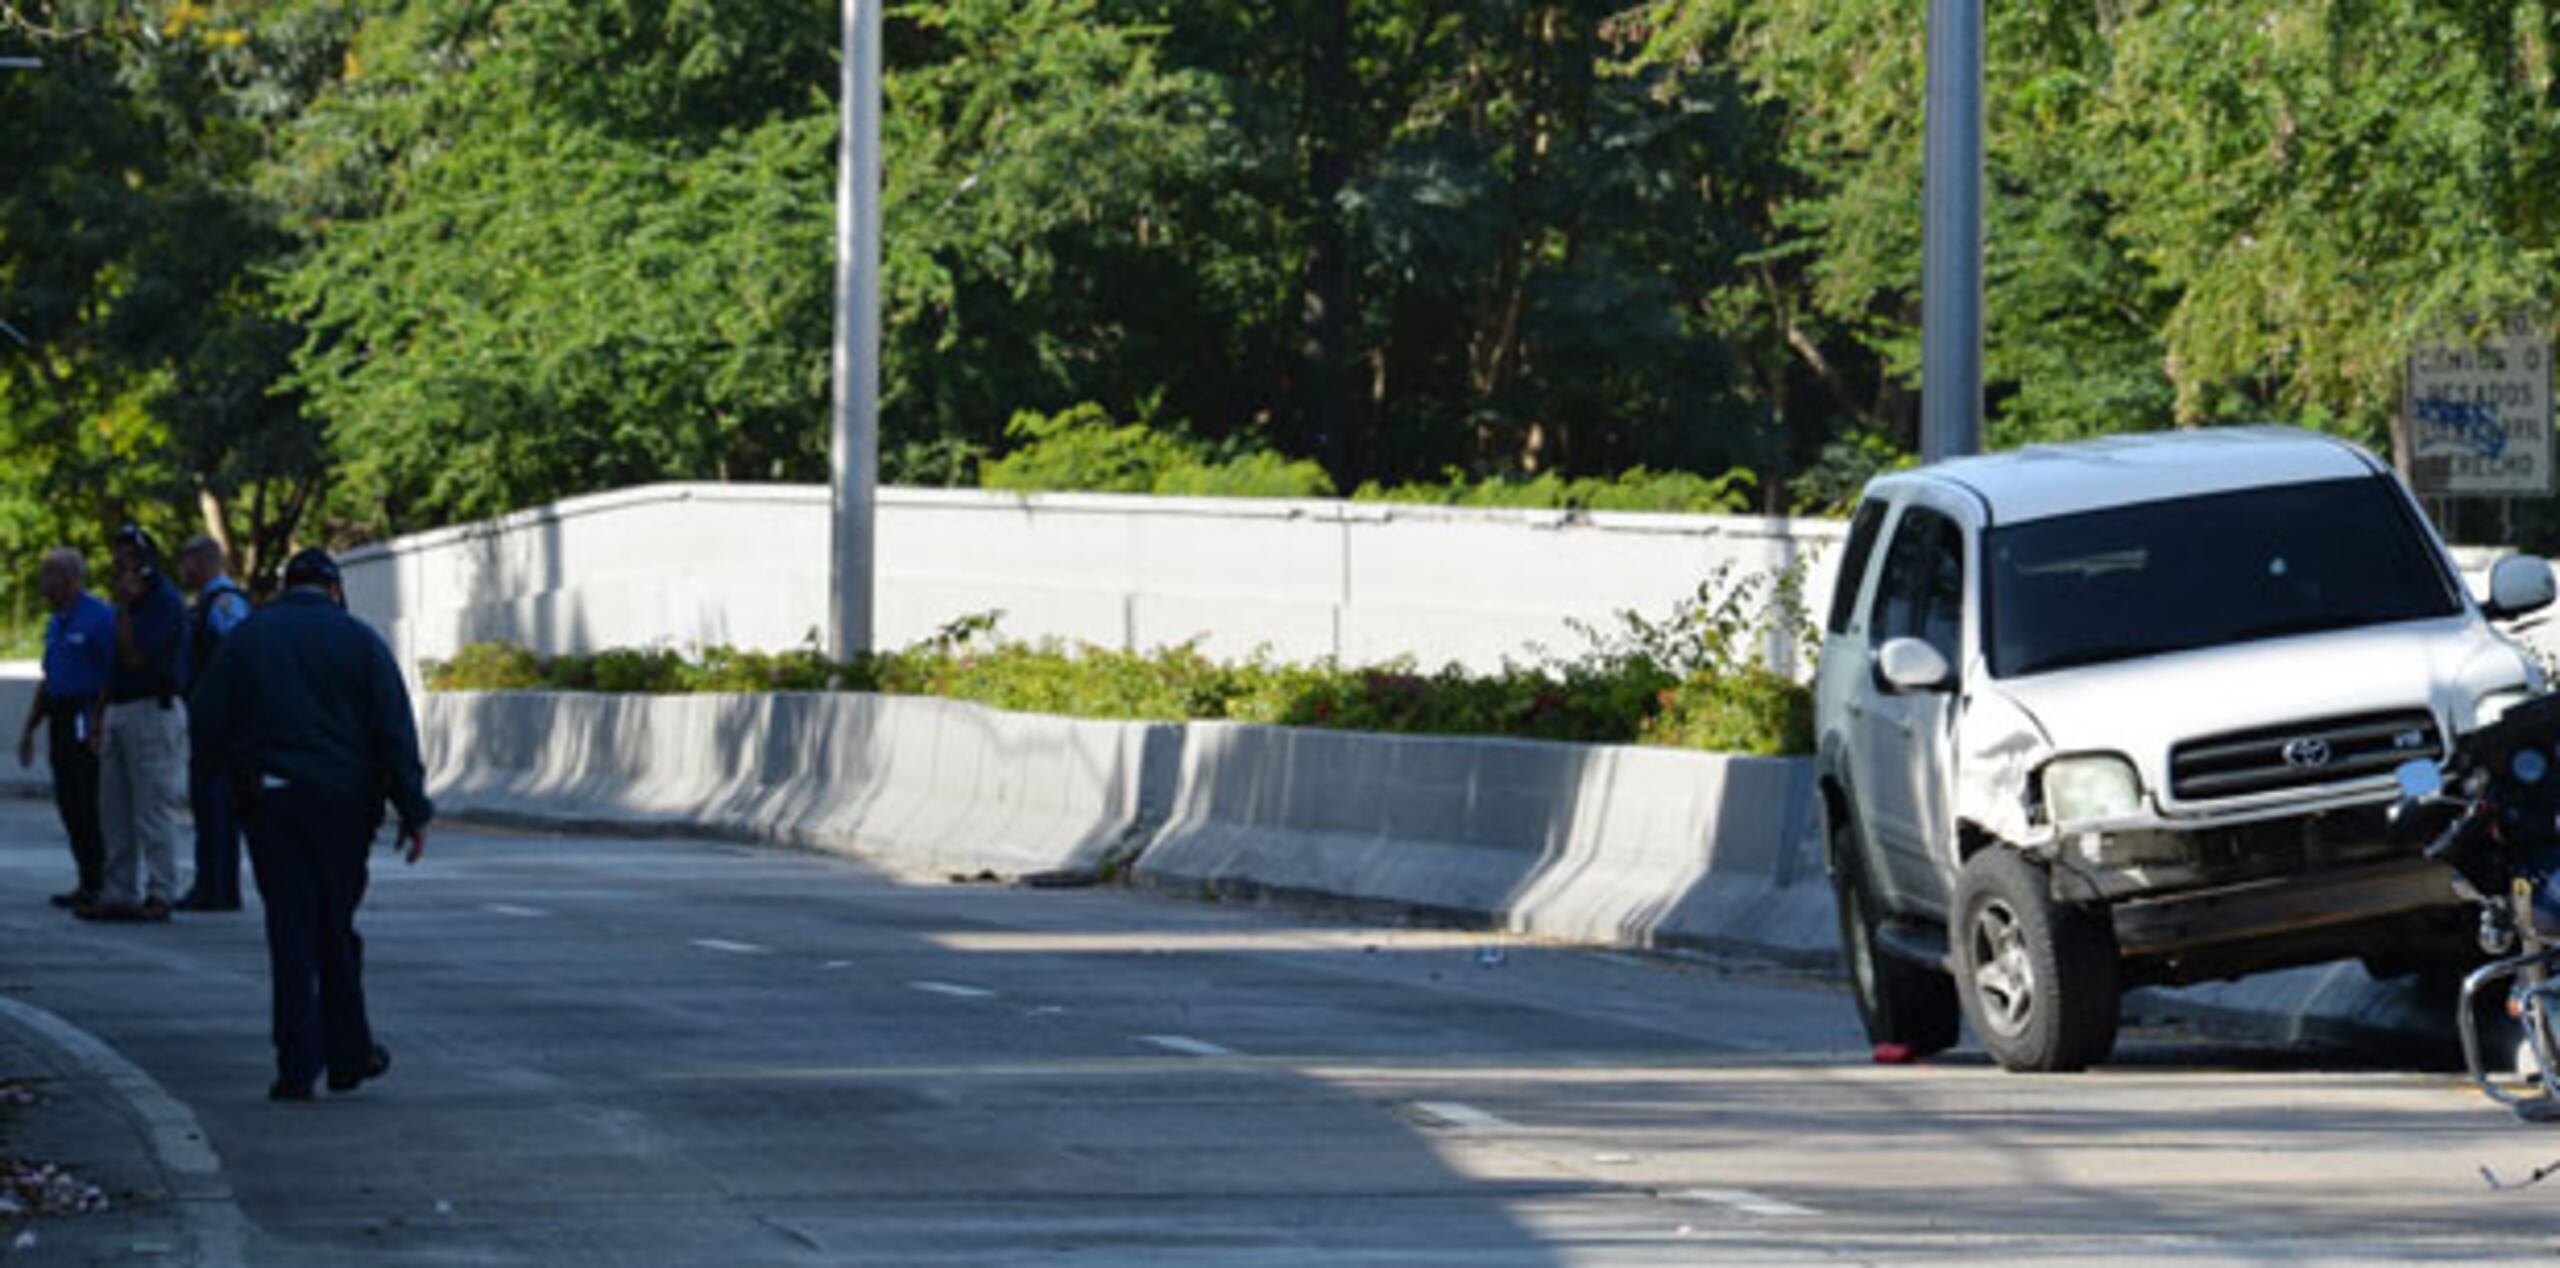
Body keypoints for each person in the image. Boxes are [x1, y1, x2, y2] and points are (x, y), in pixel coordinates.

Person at [190, 548, 431, 1101]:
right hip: (343, 806)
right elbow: (394, 732)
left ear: (285, 586)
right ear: (335, 589)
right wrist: (413, 810)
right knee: (334, 927)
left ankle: (296, 1064)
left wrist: (218, 786)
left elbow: (206, 720)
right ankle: (349, 1052)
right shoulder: (360, 641)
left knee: (290, 930)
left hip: (271, 803)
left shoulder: (249, 638)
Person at [81, 525, 188, 923]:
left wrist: (126, 608)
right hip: (120, 709)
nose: (120, 563)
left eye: (129, 556)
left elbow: (136, 657)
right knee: (114, 810)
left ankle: (161, 891)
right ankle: (119, 890)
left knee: (151, 808)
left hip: (151, 707)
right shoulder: (125, 603)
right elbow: (112, 667)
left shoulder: (161, 602)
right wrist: (99, 718)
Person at [14, 549, 114, 908]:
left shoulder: (99, 617)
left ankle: (105, 878)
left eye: (49, 576)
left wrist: (99, 722)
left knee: (89, 796)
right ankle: (87, 877)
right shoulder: (56, 622)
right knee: (69, 799)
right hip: (59, 712)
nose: (43, 585)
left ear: (70, 578)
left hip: (86, 713)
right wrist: (29, 729)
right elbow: (50, 678)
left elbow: (112, 672)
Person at [174, 535, 253, 912]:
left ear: (202, 562)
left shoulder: (224, 604)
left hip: (223, 725)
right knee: (206, 805)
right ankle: (210, 883)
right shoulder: (205, 605)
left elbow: (236, 655)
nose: (182, 571)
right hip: (210, 719)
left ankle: (219, 887)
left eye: (186, 562)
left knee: (218, 804)